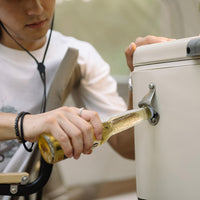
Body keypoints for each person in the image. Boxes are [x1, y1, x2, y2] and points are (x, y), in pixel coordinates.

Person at [0, 0, 171, 199]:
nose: (37, 9)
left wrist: (141, 72)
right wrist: (26, 123)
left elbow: (128, 147)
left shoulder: (79, 54)